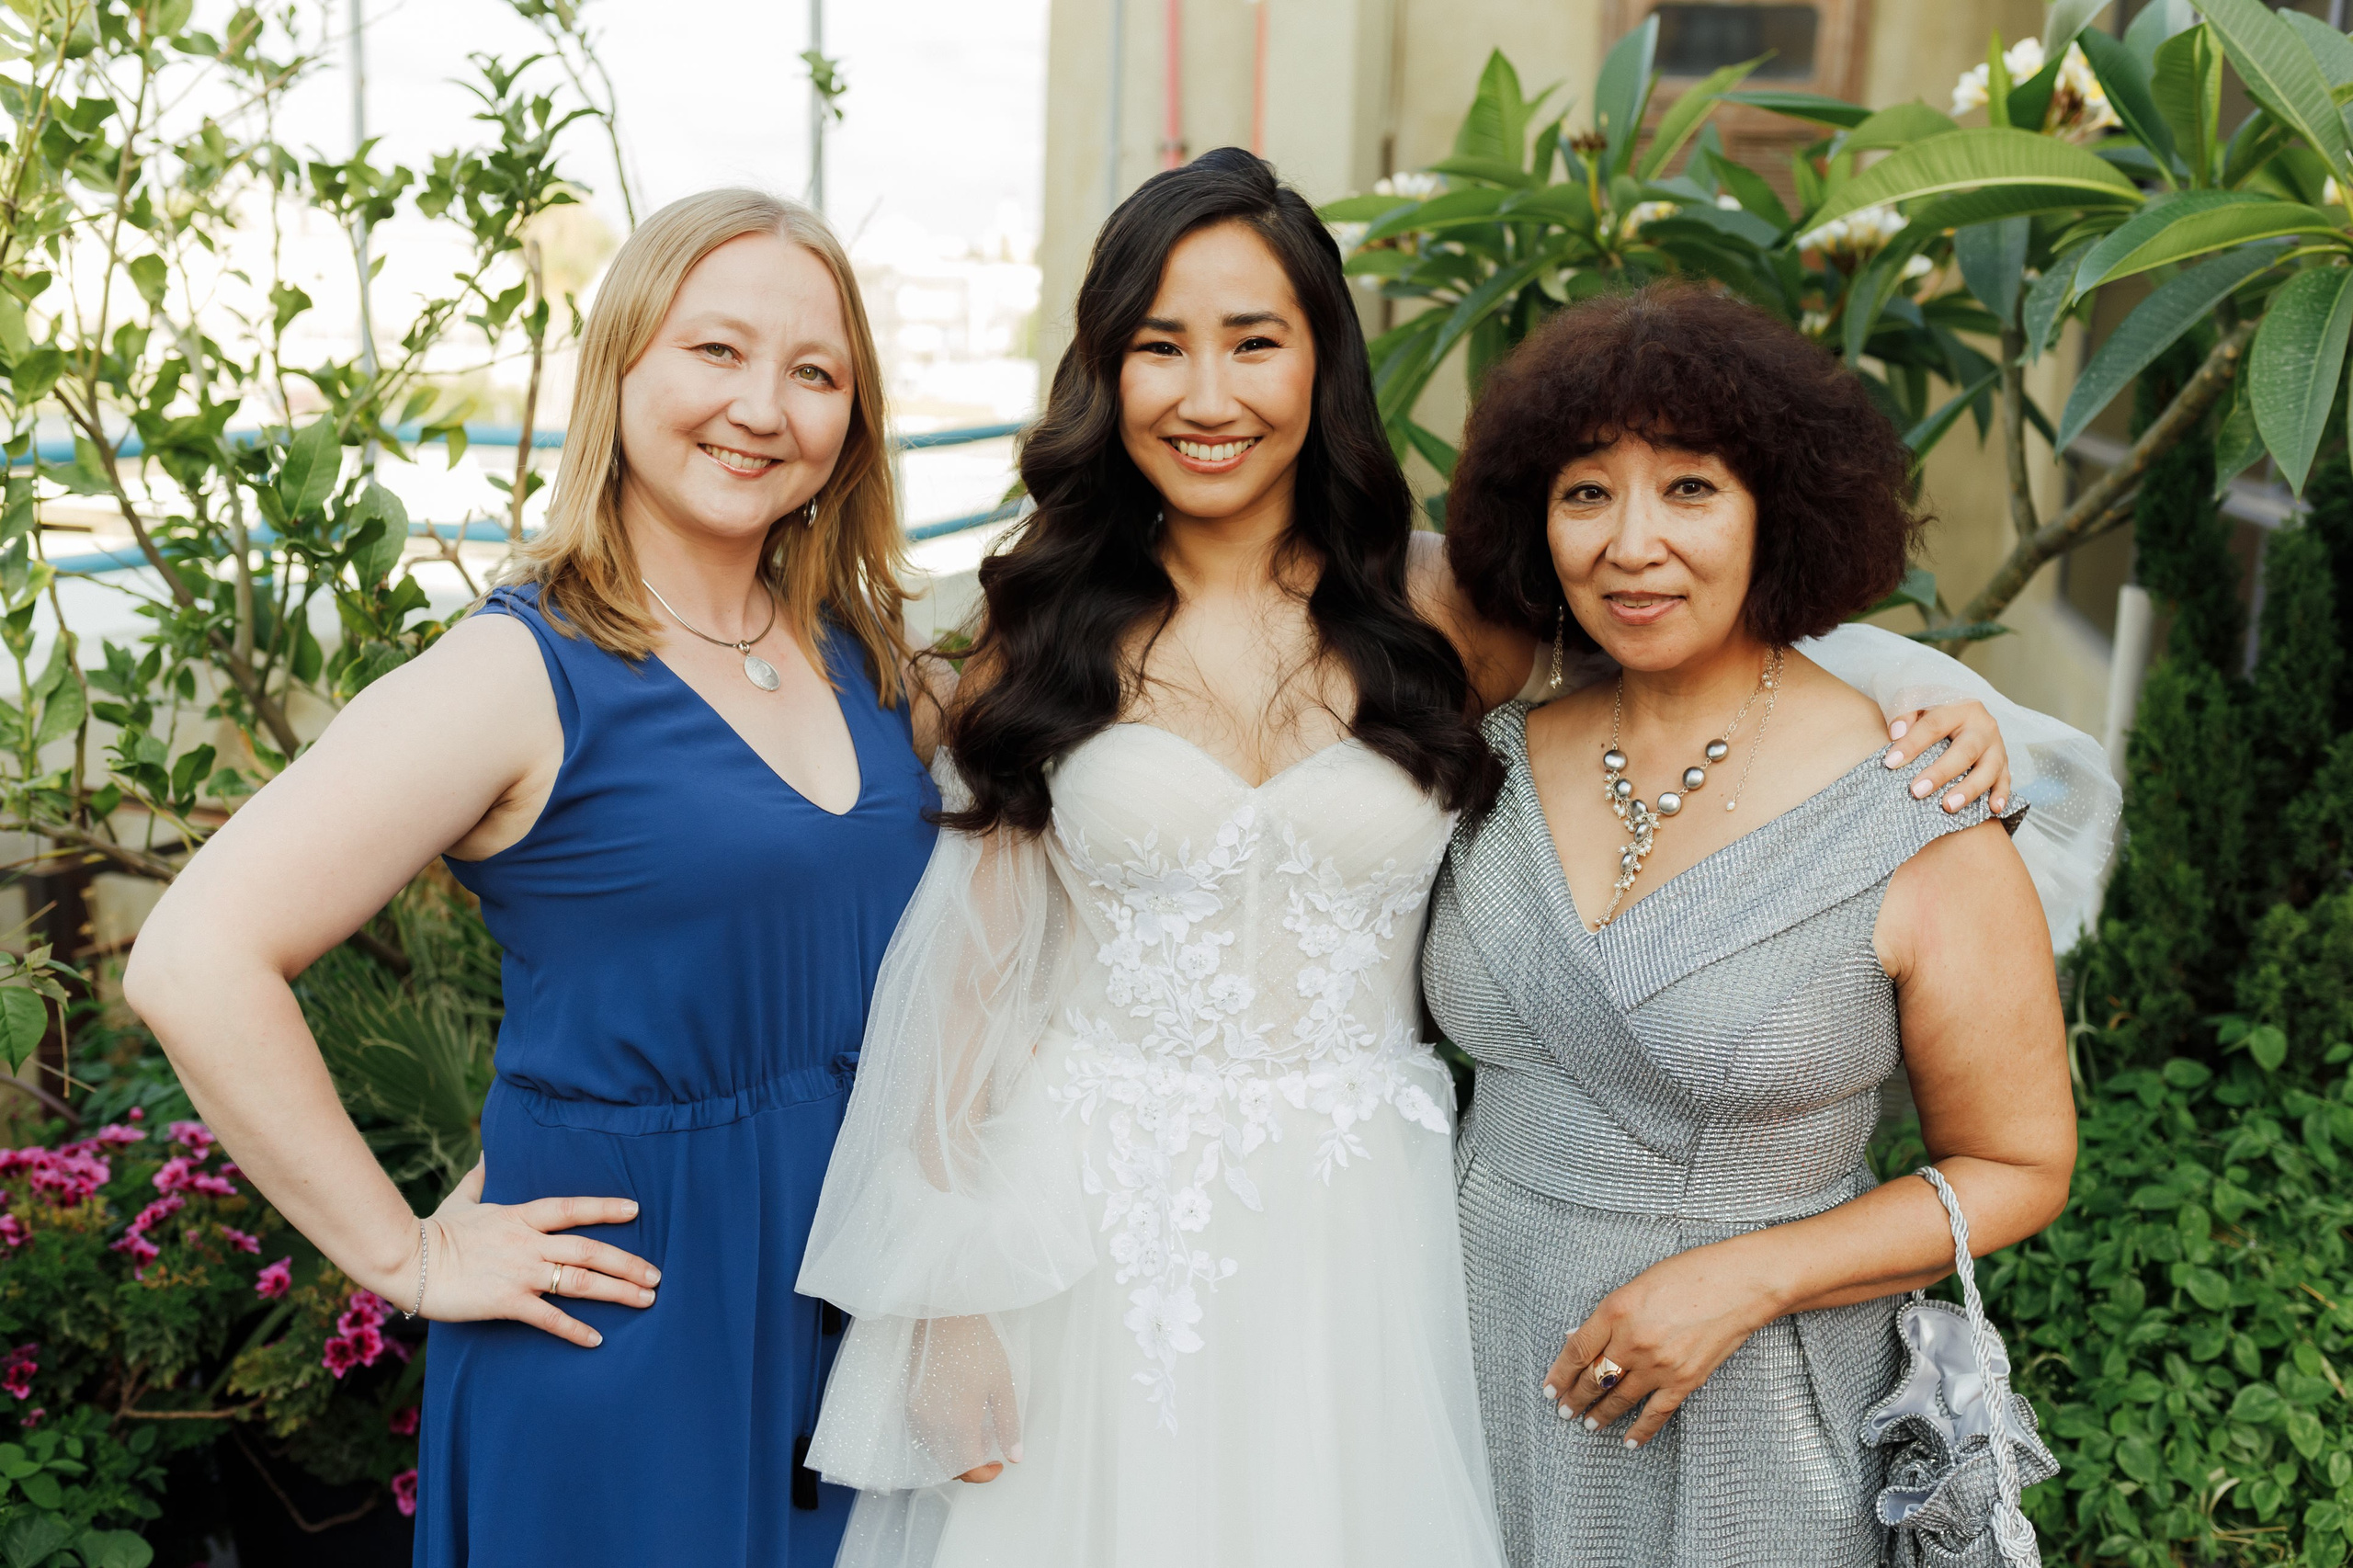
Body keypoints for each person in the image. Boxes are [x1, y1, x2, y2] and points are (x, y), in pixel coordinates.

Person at [793, 152, 2022, 1568]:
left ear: (1324, 361)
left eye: (1257, 342)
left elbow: (1696, 642)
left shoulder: (1446, 607)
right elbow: (970, 981)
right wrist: (950, 1304)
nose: (1209, 396)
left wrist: (1943, 705)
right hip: (1089, 1226)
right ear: (1104, 373)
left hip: (1367, 1227)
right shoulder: (1038, 623)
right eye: (1159, 348)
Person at [123, 189, 938, 1565]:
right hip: (630, 1328)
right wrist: (408, 1258)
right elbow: (193, 958)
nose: (762, 406)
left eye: (815, 374)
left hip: (851, 1311)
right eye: (716, 351)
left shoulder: (865, 656)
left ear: (852, 424)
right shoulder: (518, 670)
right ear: (620, 363)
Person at [1424, 283, 2091, 1567]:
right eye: (1584, 493)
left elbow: (2019, 1163)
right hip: (1472, 1342)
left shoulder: (1919, 809)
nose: (1631, 543)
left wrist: (1749, 1275)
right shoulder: (1492, 757)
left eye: (1688, 488)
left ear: (1773, 507)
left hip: (1752, 1409)